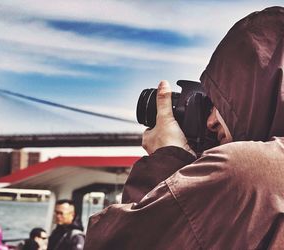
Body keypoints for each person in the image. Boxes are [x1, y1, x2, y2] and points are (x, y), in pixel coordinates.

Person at [84, 6, 284, 249]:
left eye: (218, 102)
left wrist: (167, 158)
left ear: (256, 91)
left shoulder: (244, 171)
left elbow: (116, 244)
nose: (210, 121)